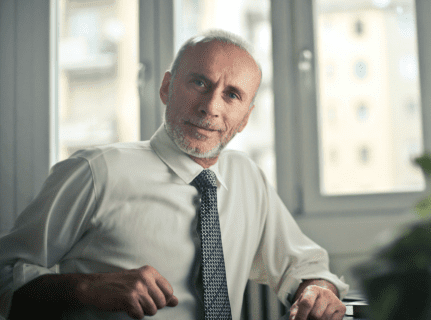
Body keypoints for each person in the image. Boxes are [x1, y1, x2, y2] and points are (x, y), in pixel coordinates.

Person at [0, 30, 348, 320]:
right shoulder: (95, 172)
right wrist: (84, 288)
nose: (210, 107)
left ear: (244, 118)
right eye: (199, 82)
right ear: (167, 87)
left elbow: (304, 265)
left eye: (232, 95)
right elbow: (5, 274)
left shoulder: (248, 178)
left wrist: (318, 289)